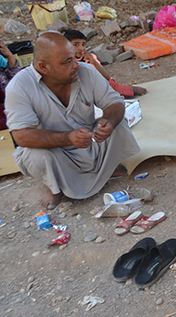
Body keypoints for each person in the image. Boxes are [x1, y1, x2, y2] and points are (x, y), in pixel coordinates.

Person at [4, 32, 140, 209]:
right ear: (43, 67)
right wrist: (68, 138)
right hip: (55, 152)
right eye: (67, 62)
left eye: (73, 58)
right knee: (35, 155)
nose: (76, 65)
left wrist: (108, 121)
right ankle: (55, 187)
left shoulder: (87, 72)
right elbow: (22, 136)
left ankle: (108, 167)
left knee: (118, 124)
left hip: (89, 142)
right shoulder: (19, 87)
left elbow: (114, 102)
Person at [63, 30, 147, 98]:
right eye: (76, 44)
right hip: (83, 88)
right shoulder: (64, 60)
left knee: (112, 90)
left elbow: (106, 77)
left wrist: (93, 62)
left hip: (101, 83)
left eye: (83, 44)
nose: (81, 48)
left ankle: (131, 90)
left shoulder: (89, 58)